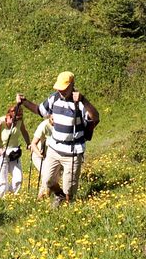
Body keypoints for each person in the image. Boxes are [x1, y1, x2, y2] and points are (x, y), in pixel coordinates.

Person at [17, 71, 99, 205]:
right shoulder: (54, 98)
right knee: (48, 180)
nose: (61, 91)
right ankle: (59, 195)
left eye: (64, 88)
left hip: (73, 152)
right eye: (59, 88)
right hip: (54, 150)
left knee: (70, 190)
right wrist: (24, 102)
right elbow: (39, 110)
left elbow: (95, 117)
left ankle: (67, 209)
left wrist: (83, 100)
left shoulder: (80, 102)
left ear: (72, 85)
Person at [0, 102, 28, 197]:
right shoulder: (0, 122)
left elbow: (24, 132)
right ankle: (1, 199)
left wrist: (29, 144)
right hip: (1, 152)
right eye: (13, 120)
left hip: (14, 153)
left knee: (18, 179)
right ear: (8, 116)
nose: (15, 123)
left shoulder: (19, 121)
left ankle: (12, 198)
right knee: (3, 181)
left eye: (17, 120)